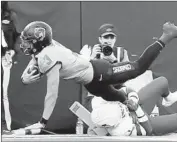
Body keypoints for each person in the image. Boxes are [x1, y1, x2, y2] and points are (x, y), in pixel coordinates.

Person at [20, 21, 177, 131]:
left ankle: (167, 36)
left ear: (39, 39)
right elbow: (35, 57)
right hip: (92, 84)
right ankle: (137, 114)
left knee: (138, 68)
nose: (25, 45)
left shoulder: (49, 56)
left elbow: (52, 93)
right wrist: (23, 78)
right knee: (116, 97)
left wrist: (43, 122)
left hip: (101, 71)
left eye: (28, 41)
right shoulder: (46, 48)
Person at [90, 77, 177, 136]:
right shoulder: (120, 131)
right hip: (142, 122)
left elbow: (128, 90)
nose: (123, 110)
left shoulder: (100, 100)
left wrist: (133, 102)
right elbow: (148, 130)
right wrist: (137, 110)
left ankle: (169, 99)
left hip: (134, 106)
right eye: (122, 113)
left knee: (162, 81)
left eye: (120, 108)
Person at [1, 1, 20, 131]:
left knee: (3, 93)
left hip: (4, 58)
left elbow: (18, 37)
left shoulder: (10, 16)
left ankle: (4, 126)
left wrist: (13, 52)